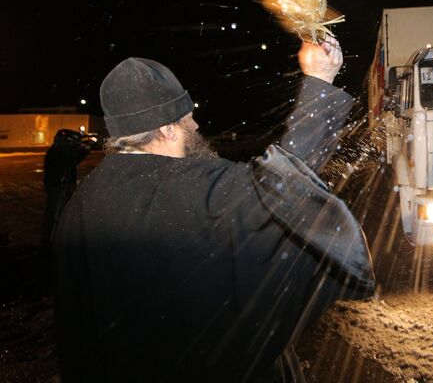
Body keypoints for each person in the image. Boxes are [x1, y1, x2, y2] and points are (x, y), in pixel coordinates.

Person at [53, 36, 374, 382]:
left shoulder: (79, 208)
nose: (196, 126)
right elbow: (283, 188)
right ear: (166, 127)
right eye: (188, 118)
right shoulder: (194, 189)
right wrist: (319, 80)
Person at [41, 129, 91, 290]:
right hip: (58, 188)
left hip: (61, 187)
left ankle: (54, 242)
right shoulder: (58, 152)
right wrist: (83, 150)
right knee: (55, 215)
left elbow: (73, 160)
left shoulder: (59, 151)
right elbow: (69, 161)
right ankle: (50, 245)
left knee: (61, 214)